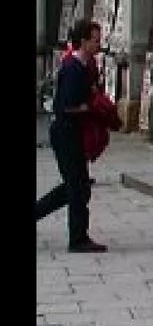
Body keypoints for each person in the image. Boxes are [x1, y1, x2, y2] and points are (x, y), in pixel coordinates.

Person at [36, 19, 117, 252]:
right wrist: (92, 108)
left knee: (76, 185)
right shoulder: (72, 67)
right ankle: (78, 238)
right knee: (78, 186)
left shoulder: (85, 64)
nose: (98, 44)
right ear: (83, 41)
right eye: (95, 40)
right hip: (66, 133)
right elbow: (66, 106)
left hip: (73, 133)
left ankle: (74, 232)